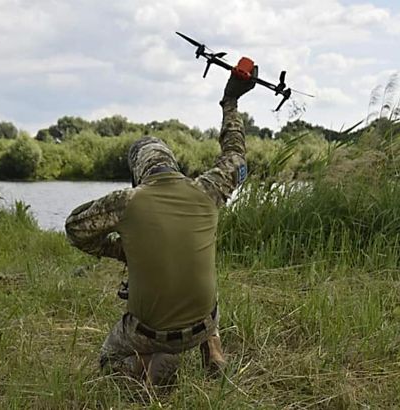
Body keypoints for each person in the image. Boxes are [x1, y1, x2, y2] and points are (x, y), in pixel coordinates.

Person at [64, 63, 257, 386]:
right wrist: (230, 101)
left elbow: (75, 228)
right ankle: (214, 351)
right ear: (172, 164)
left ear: (138, 172)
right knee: (195, 272)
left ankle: (147, 366)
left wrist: (121, 250)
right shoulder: (207, 190)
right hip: (205, 321)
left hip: (151, 333)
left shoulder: (127, 201)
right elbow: (237, 154)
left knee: (108, 364)